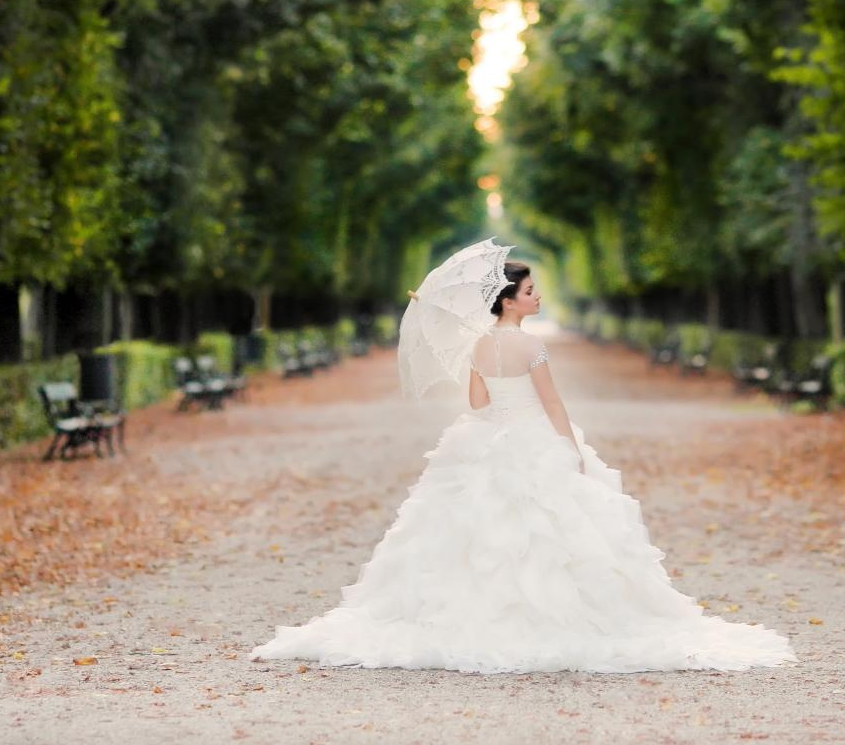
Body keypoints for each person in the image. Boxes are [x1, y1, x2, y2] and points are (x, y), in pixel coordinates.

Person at [249, 261, 798, 673]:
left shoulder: (480, 348)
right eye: (530, 291)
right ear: (509, 301)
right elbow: (554, 404)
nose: (537, 298)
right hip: (534, 438)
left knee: (476, 533)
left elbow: (478, 407)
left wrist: (481, 369)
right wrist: (572, 451)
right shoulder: (530, 347)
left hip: (488, 441)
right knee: (557, 532)